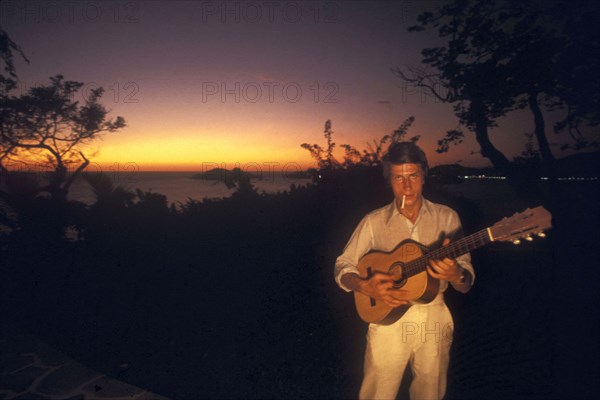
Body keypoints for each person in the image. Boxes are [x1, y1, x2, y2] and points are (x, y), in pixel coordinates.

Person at [334, 142, 474, 400]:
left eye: (413, 176)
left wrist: (456, 275)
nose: (407, 186)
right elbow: (343, 264)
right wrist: (364, 286)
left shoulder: (448, 218)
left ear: (424, 176)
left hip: (435, 315)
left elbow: (465, 278)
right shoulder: (373, 221)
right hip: (387, 317)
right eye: (399, 177)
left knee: (431, 392)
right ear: (389, 180)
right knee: (378, 392)